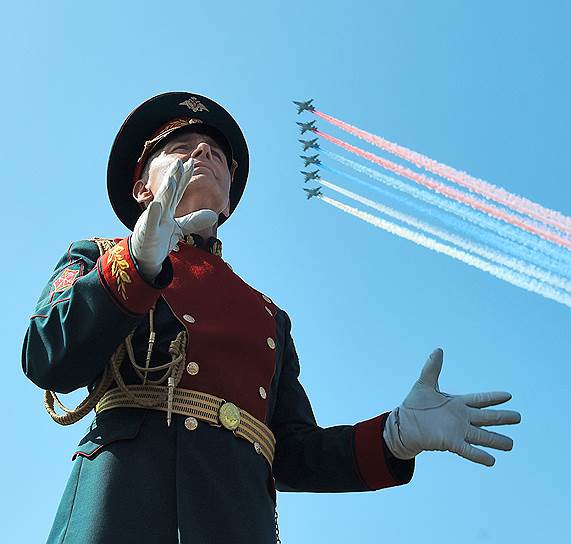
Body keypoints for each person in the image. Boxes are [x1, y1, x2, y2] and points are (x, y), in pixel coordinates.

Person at [22, 92, 521, 544]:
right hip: (121, 512)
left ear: (231, 193)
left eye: (217, 153)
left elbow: (293, 453)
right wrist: (136, 263)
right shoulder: (95, 257)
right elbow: (48, 358)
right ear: (140, 188)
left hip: (237, 524)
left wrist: (394, 436)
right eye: (181, 146)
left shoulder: (269, 317)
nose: (204, 154)